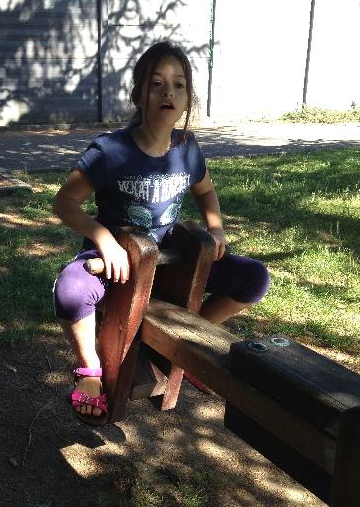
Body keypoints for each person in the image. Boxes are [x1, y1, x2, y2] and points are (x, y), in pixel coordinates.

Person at [52, 41, 269, 425]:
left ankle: (188, 347)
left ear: (187, 99)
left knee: (254, 278)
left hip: (170, 261)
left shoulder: (187, 148)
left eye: (178, 84)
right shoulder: (109, 150)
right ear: (138, 95)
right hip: (114, 262)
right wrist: (102, 238)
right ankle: (89, 369)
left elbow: (205, 191)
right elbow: (64, 203)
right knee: (70, 291)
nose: (168, 92)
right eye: (156, 83)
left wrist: (215, 228)